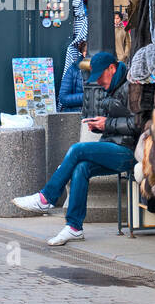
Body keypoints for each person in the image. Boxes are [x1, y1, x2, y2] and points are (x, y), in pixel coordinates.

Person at [14, 51, 140, 245]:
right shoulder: (115, 86)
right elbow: (119, 123)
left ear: (112, 69)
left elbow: (138, 124)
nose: (98, 81)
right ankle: (74, 227)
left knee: (77, 149)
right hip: (114, 145)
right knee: (81, 167)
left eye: (100, 76)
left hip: (129, 151)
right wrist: (99, 126)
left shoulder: (131, 87)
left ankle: (46, 198)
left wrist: (106, 124)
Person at [58, 38, 86, 112]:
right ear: (84, 53)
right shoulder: (74, 69)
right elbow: (63, 97)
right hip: (77, 114)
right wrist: (87, 97)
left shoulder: (106, 68)